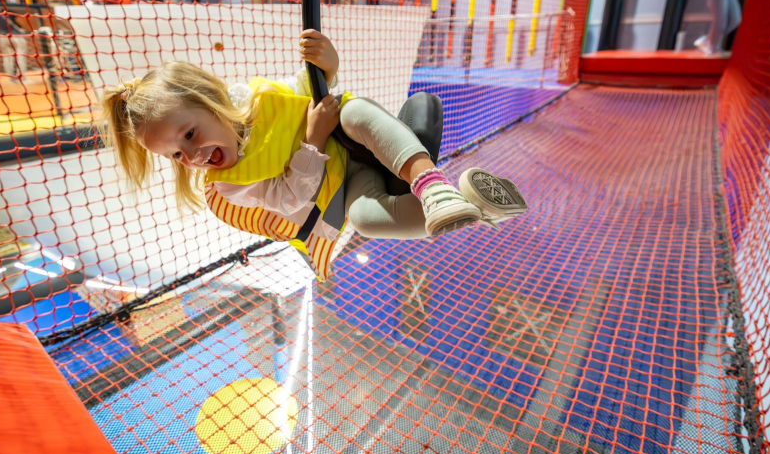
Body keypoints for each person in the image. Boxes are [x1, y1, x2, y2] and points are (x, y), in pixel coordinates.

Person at [100, 30, 527, 279]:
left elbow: (305, 89)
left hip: (352, 140)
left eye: (189, 134)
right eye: (176, 155)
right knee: (365, 219)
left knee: (351, 109)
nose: (192, 155)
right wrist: (312, 142)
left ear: (212, 102)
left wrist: (327, 66)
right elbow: (290, 201)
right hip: (342, 184)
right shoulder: (228, 184)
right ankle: (475, 207)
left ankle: (431, 186)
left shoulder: (257, 98)